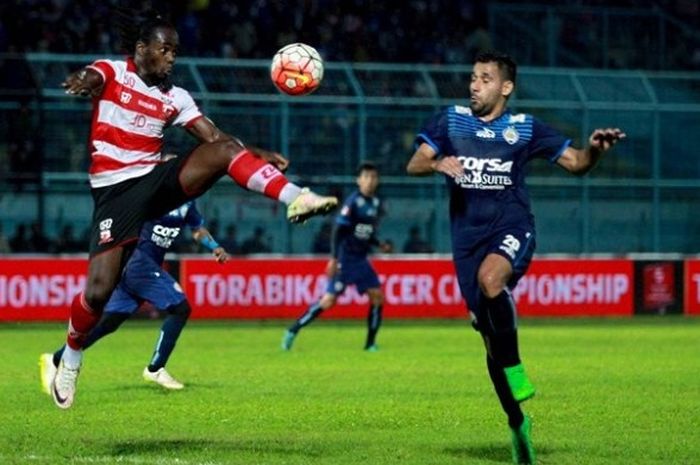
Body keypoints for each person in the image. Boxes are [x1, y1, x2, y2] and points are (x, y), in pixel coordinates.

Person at [45, 11, 337, 410]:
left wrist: (256, 152)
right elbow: (92, 76)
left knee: (223, 149)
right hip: (116, 194)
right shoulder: (113, 72)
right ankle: (71, 356)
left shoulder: (175, 97)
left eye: (175, 52)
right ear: (142, 50)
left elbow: (214, 136)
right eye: (164, 50)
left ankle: (295, 197)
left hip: (155, 179)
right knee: (97, 293)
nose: (171, 58)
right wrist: (83, 80)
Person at [406, 51, 625, 464]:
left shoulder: (524, 129)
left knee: (494, 280)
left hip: (513, 227)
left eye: (485, 78)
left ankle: (518, 367)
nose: (474, 85)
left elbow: (577, 162)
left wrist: (595, 150)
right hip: (466, 243)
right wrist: (438, 163)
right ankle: (515, 421)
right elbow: (414, 162)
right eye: (473, 77)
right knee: (490, 344)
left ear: (505, 87)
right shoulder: (450, 120)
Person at [40, 200, 227, 392]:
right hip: (139, 262)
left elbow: (197, 229)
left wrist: (214, 246)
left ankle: (55, 359)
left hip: (141, 266)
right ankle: (156, 368)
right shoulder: (155, 193)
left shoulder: (188, 202)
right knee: (180, 308)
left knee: (108, 323)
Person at [282, 162, 392, 352]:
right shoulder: (352, 202)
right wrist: (334, 259)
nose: (370, 181)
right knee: (328, 301)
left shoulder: (375, 203)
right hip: (346, 259)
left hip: (361, 259)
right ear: (359, 180)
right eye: (366, 177)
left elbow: (364, 231)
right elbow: (338, 231)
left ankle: (370, 344)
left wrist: (378, 244)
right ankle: (292, 331)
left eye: (373, 177)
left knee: (377, 297)